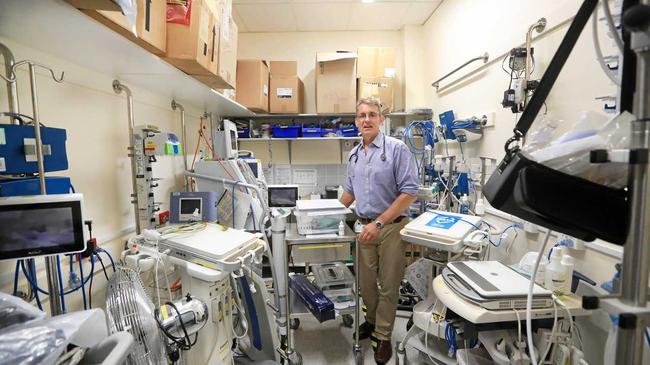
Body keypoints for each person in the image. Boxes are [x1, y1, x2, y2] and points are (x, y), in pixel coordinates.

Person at [340, 97, 418, 364]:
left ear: (381, 120)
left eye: (372, 115)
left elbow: (409, 192)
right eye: (361, 115)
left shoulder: (397, 150)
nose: (366, 120)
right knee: (366, 285)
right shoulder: (354, 154)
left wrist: (380, 223)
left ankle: (383, 336)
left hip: (390, 227)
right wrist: (325, 213)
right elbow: (350, 192)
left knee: (388, 285)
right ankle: (372, 322)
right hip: (364, 227)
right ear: (356, 121)